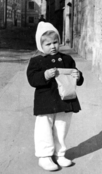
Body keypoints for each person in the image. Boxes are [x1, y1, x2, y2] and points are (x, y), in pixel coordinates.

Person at [26, 21, 84, 171]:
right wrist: (44, 75)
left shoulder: (67, 59)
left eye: (55, 42)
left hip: (65, 100)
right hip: (45, 101)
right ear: (40, 45)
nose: (52, 46)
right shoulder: (36, 61)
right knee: (44, 128)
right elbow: (32, 79)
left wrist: (78, 76)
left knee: (61, 127)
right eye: (48, 44)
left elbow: (76, 75)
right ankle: (45, 156)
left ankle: (60, 154)